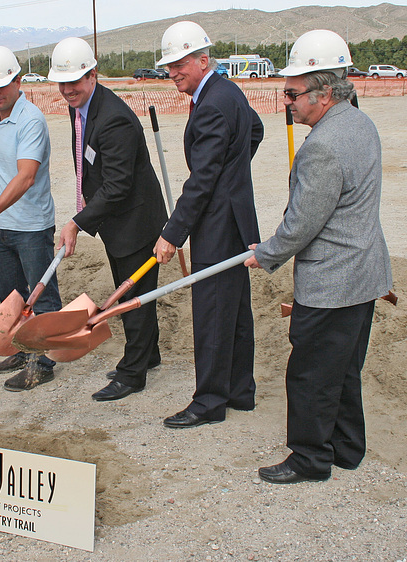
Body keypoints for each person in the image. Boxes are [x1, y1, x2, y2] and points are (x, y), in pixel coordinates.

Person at [244, 30, 393, 484]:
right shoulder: (359, 122)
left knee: (310, 374)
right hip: (364, 274)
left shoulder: (323, 147)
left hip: (332, 282)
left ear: (325, 93)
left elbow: (302, 224)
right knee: (344, 368)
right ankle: (347, 448)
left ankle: (310, 459)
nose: (286, 101)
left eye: (292, 93)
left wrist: (264, 254)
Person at [153, 21, 263, 427]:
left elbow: (202, 179)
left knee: (214, 311)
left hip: (217, 224)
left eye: (181, 64)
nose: (174, 72)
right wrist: (233, 175)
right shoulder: (226, 91)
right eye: (169, 66)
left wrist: (172, 232)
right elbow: (255, 130)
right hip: (235, 218)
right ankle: (240, 391)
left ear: (203, 60)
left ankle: (209, 402)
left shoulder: (213, 102)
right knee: (234, 311)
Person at [49, 37, 168, 402]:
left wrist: (76, 221)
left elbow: (117, 186)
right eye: (63, 83)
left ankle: (133, 375)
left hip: (135, 222)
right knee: (133, 291)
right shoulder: (82, 106)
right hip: (117, 222)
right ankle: (148, 356)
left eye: (76, 81)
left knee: (134, 298)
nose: (68, 90)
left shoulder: (113, 119)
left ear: (93, 74)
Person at [0, 46, 62, 391]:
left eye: (3, 86)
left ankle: (44, 361)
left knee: (40, 296)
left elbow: (26, 176)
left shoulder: (31, 119)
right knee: (12, 297)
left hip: (31, 226)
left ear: (19, 81)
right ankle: (21, 349)